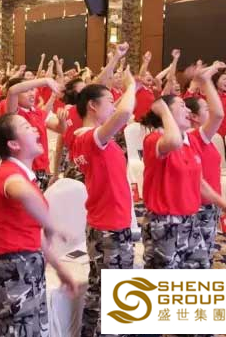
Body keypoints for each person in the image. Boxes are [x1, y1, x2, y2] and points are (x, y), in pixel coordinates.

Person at [0, 113, 77, 336]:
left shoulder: (26, 176)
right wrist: (50, 224)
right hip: (14, 273)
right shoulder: (8, 173)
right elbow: (22, 192)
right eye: (27, 127)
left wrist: (59, 268)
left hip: (28, 268)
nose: (36, 129)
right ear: (14, 144)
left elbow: (32, 232)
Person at [71, 66, 136, 337]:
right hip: (110, 226)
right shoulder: (91, 138)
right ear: (92, 106)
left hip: (103, 222)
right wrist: (131, 85)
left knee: (99, 290)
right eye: (109, 101)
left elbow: (120, 112)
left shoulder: (84, 137)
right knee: (116, 297)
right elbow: (125, 113)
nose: (114, 105)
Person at [141, 95, 226, 269]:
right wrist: (163, 111)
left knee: (200, 268)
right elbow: (173, 141)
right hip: (165, 223)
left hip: (190, 220)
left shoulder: (191, 141)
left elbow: (199, 182)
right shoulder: (155, 139)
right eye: (182, 106)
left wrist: (225, 205)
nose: (187, 110)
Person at [184, 61, 226, 266]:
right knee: (198, 258)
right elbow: (219, 114)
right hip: (200, 205)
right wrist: (206, 80)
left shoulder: (196, 137)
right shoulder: (196, 136)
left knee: (201, 254)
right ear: (194, 117)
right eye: (205, 110)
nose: (210, 113)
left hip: (209, 203)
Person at [4, 77, 67, 190]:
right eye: (26, 90)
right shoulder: (14, 112)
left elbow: (60, 129)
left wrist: (62, 121)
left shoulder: (38, 112)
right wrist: (45, 81)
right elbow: (12, 90)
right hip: (24, 168)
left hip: (42, 167)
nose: (32, 94)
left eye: (33, 90)